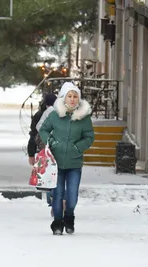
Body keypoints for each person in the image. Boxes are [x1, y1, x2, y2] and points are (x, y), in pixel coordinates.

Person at [39, 82, 94, 235]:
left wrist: (78, 148)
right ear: (64, 97)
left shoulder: (84, 117)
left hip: (74, 163)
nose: (72, 99)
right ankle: (57, 222)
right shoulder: (55, 115)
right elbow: (43, 129)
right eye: (69, 96)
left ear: (79, 99)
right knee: (57, 195)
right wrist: (51, 142)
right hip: (55, 163)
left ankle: (69, 216)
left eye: (75, 96)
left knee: (72, 195)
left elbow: (89, 137)